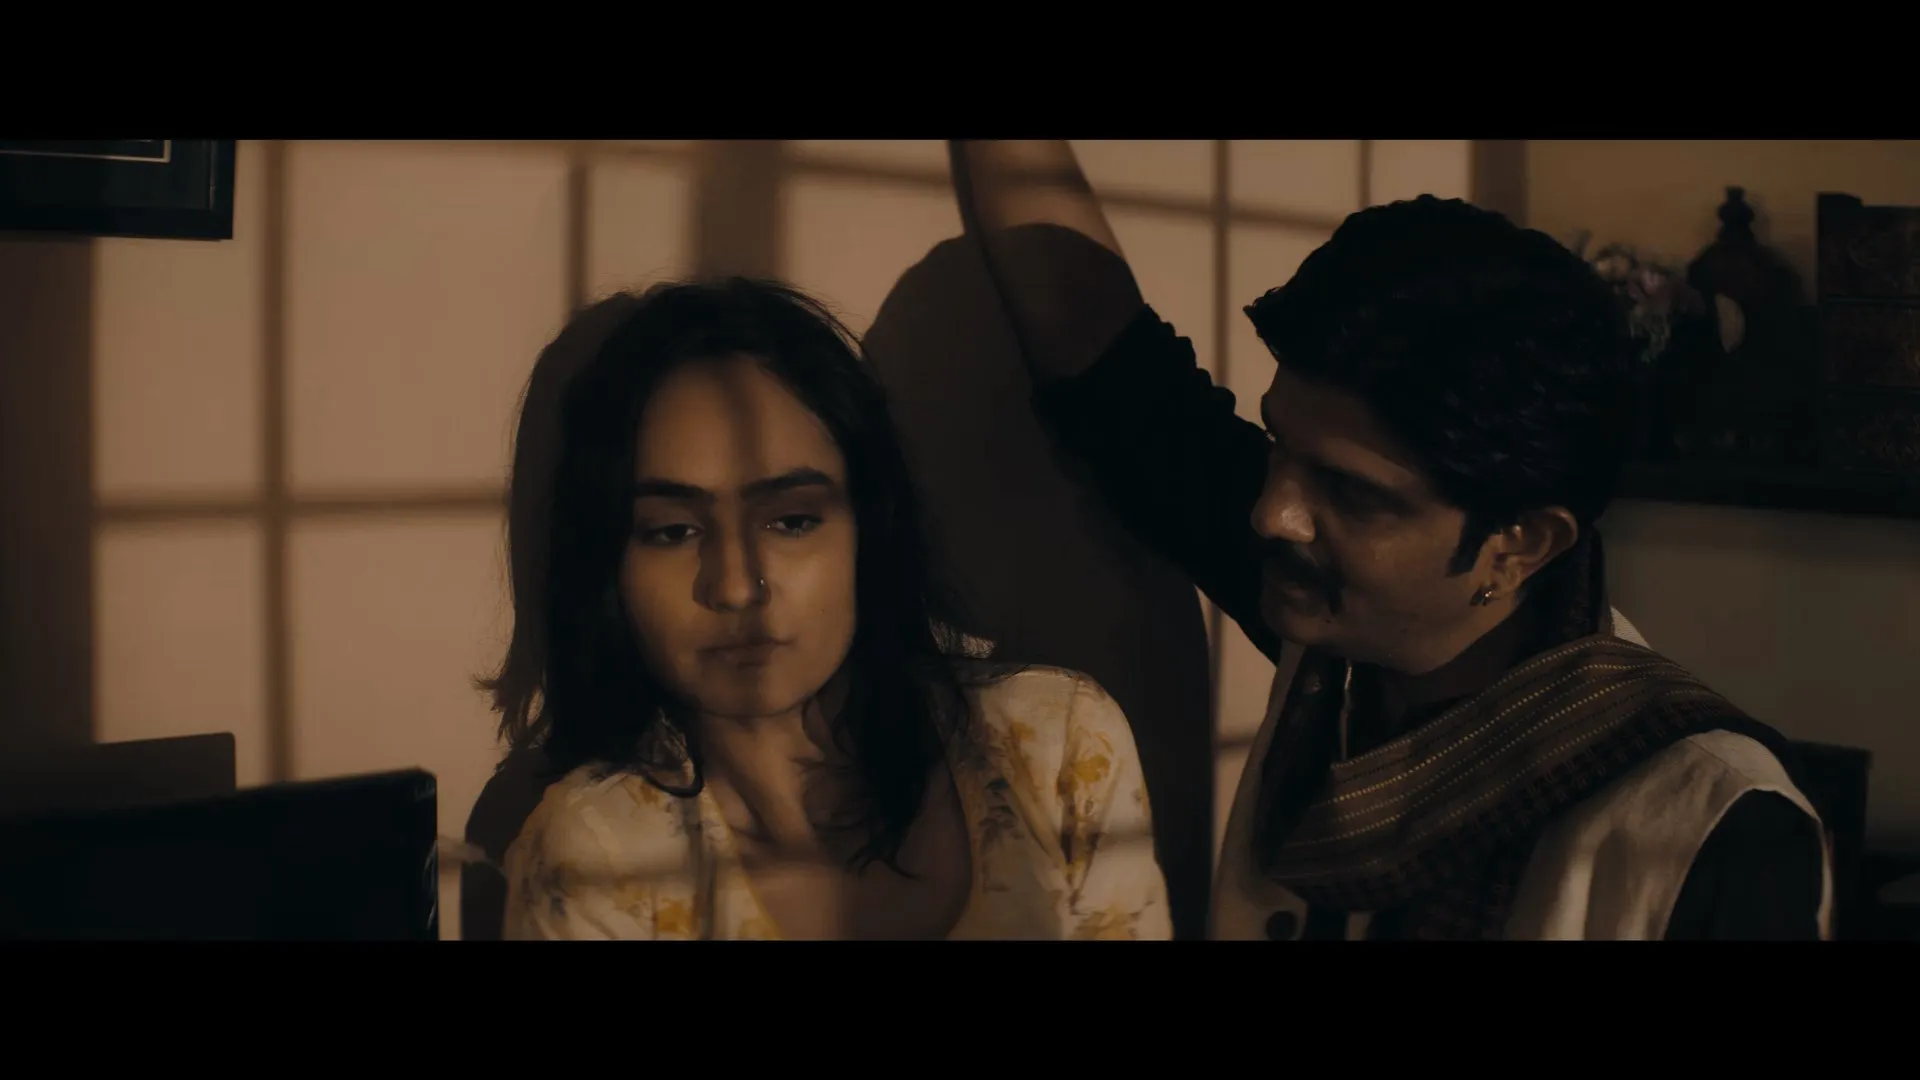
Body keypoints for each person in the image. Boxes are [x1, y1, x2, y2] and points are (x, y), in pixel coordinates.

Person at [947, 140, 1832, 940]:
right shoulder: (1342, 633)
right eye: (1279, 444)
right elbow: (1105, 358)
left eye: (1350, 493)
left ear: (1521, 544)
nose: (1271, 514)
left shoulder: (1715, 825)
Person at [487, 277, 1169, 940]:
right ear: (608, 563)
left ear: (868, 527)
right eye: (673, 532)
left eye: (791, 521)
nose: (736, 587)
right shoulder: (598, 862)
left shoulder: (1053, 751)